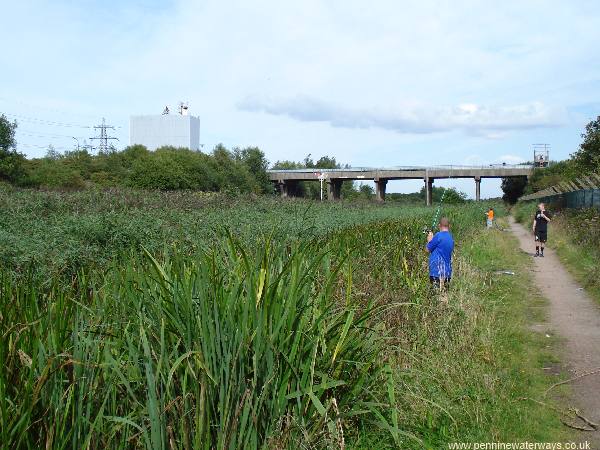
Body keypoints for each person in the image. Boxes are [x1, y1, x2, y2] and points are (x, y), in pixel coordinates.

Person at [426, 217, 454, 290]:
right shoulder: (451, 238)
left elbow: (427, 249)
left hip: (436, 272)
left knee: (436, 296)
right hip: (447, 273)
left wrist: (429, 239)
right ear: (449, 226)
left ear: (439, 225)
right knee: (445, 296)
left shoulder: (438, 235)